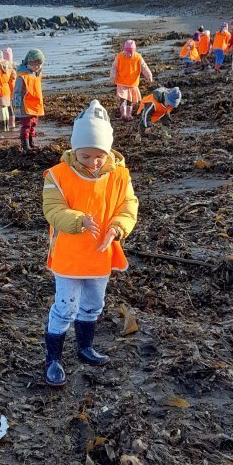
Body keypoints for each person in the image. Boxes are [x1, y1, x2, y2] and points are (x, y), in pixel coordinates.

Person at [42, 99, 138, 387]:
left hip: (101, 254)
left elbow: (128, 205)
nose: (93, 163)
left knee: (94, 305)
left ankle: (85, 348)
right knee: (65, 307)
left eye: (99, 156)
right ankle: (53, 359)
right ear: (73, 150)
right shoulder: (56, 176)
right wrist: (79, 220)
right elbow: (53, 210)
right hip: (69, 256)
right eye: (85, 157)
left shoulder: (120, 174)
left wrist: (118, 229)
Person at [110, 39, 153, 120]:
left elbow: (144, 67)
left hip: (133, 83)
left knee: (130, 100)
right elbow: (114, 68)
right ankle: (123, 114)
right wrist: (112, 77)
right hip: (122, 82)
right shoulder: (119, 56)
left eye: (131, 53)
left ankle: (129, 115)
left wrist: (149, 75)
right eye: (127, 53)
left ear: (134, 51)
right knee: (123, 99)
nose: (129, 55)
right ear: (124, 50)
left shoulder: (138, 57)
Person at [14, 48, 45, 152]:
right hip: (24, 106)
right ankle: (25, 145)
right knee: (26, 125)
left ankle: (31, 143)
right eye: (34, 64)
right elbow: (17, 92)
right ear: (27, 63)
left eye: (39, 64)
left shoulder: (37, 74)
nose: (37, 67)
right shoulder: (22, 76)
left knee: (33, 124)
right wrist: (16, 106)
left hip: (35, 105)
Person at [3, 47, 17, 130]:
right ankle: (12, 122)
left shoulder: (8, 68)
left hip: (9, 89)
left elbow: (10, 78)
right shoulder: (13, 67)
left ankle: (11, 123)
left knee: (9, 106)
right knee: (10, 105)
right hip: (13, 88)